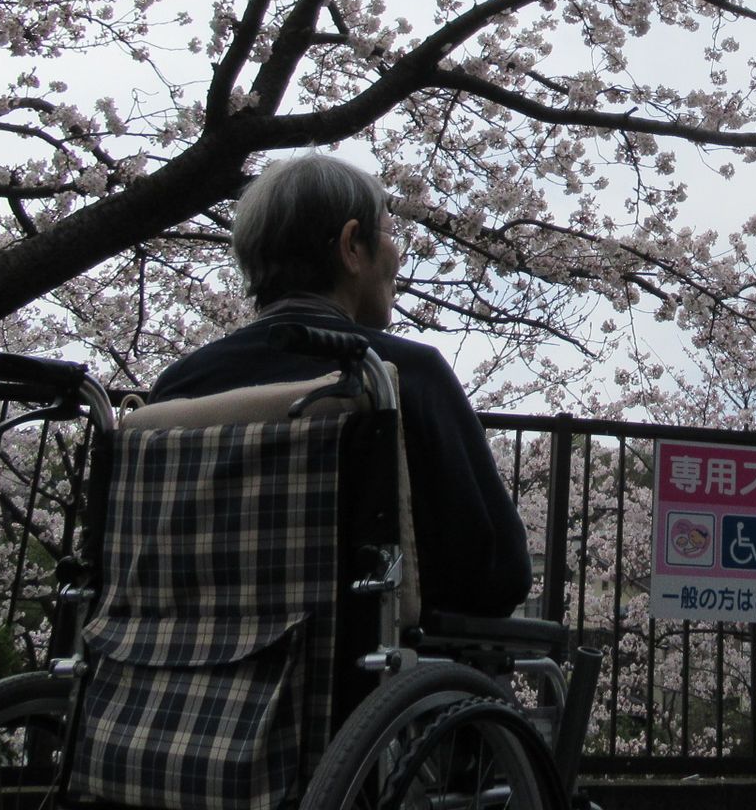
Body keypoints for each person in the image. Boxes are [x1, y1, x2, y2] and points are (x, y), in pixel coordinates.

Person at [149, 154, 533, 618]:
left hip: (184, 672)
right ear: (352, 245)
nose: (399, 256)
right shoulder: (399, 373)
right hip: (361, 676)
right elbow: (497, 571)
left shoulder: (179, 387)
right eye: (391, 234)